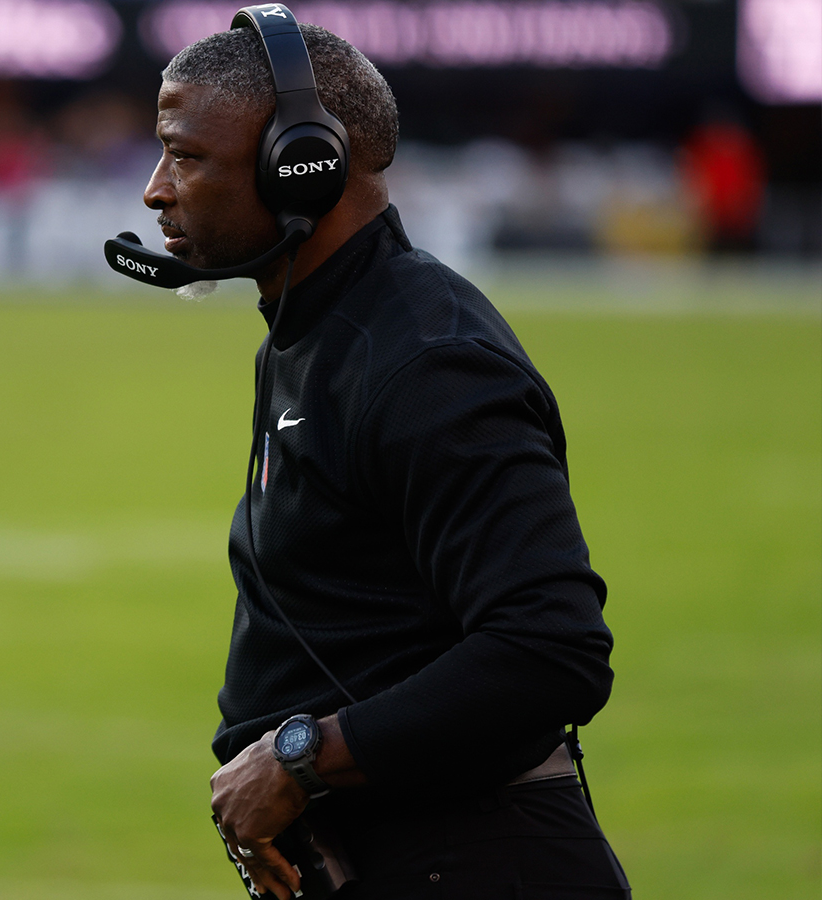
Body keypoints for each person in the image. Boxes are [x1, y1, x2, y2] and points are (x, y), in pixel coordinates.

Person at [143, 23, 631, 899]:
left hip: (476, 860)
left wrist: (299, 759)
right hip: (401, 853)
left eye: (184, 157)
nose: (155, 191)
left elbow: (549, 648)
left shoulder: (425, 361)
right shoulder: (314, 329)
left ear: (301, 164)